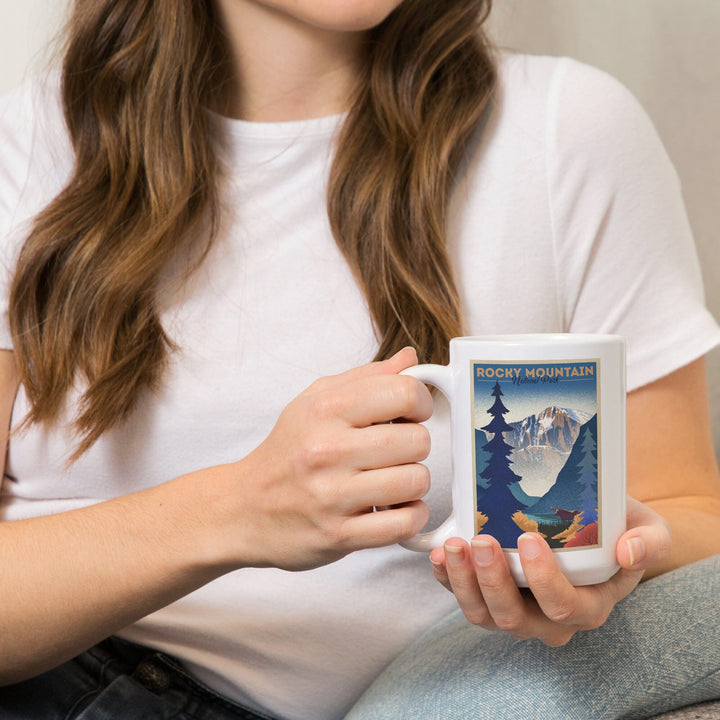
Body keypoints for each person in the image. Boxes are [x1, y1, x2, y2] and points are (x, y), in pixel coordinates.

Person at [0, 1, 719, 719]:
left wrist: (618, 565)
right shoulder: (26, 146)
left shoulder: (570, 131)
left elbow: (688, 511)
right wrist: (238, 509)